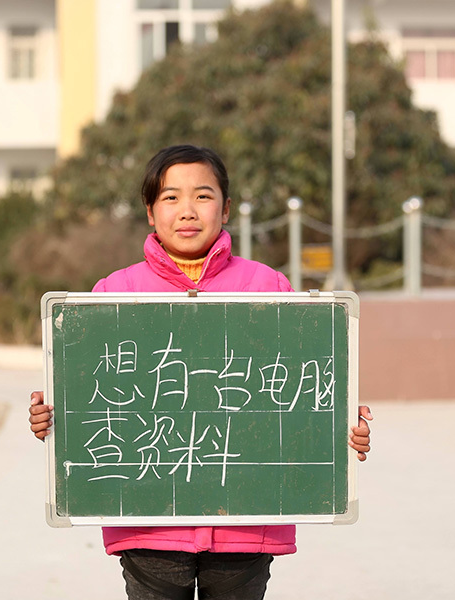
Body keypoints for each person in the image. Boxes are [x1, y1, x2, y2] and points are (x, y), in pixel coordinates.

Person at [28, 144, 373, 600]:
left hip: (247, 523)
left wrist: (343, 428)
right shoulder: (113, 293)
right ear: (150, 212)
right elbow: (86, 399)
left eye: (203, 196)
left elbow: (307, 392)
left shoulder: (268, 287)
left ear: (226, 208)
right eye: (170, 198)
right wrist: (51, 421)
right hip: (149, 523)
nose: (187, 211)